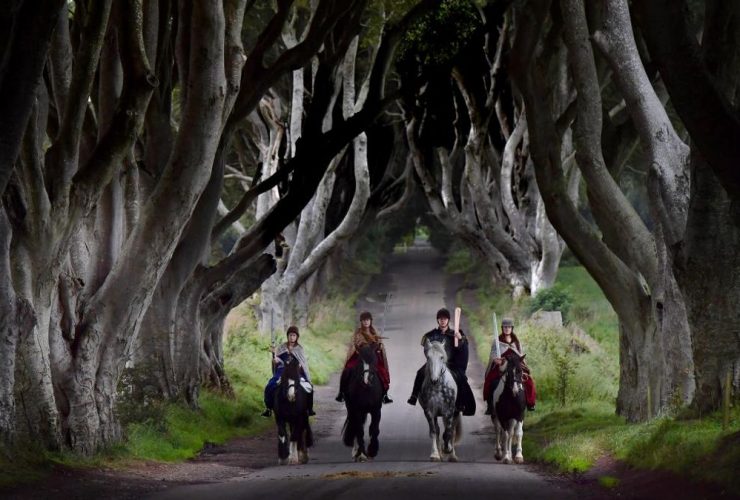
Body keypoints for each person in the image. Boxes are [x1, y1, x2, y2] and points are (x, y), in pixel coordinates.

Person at [407, 308, 476, 416]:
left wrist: (461, 339)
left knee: (461, 378)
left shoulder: (456, 334)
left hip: (451, 364)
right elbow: (426, 349)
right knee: (420, 373)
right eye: (440, 319)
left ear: (448, 320)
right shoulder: (430, 335)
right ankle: (414, 396)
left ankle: (461, 403)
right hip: (434, 362)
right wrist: (432, 357)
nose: (443, 321)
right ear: (438, 320)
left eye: (445, 319)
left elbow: (463, 350)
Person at [335, 311, 393, 404]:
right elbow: (355, 344)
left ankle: (385, 394)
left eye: (368, 320)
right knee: (347, 370)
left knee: (382, 371)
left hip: (373, 357)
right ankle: (341, 393)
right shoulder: (358, 333)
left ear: (370, 321)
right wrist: (363, 347)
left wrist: (379, 346)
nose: (366, 322)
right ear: (361, 321)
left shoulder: (374, 332)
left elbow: (380, 345)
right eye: (364, 320)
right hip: (359, 357)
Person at [482, 318, 536, 414]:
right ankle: (490, 405)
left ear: (512, 328)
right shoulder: (497, 342)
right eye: (505, 327)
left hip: (515, 365)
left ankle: (530, 403)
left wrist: (520, 361)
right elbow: (493, 354)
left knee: (529, 381)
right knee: (490, 381)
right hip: (502, 366)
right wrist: (496, 360)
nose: (507, 329)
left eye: (509, 327)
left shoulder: (516, 342)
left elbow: (520, 354)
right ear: (502, 328)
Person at [261, 325, 315, 417]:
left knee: (309, 387)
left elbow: (303, 363)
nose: (292, 337)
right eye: (290, 335)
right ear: (287, 336)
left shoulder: (299, 349)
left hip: (296, 372)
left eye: (294, 335)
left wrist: (299, 367)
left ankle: (309, 409)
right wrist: (275, 360)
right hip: (282, 371)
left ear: (297, 337)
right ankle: (268, 408)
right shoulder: (281, 347)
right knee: (270, 385)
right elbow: (277, 361)